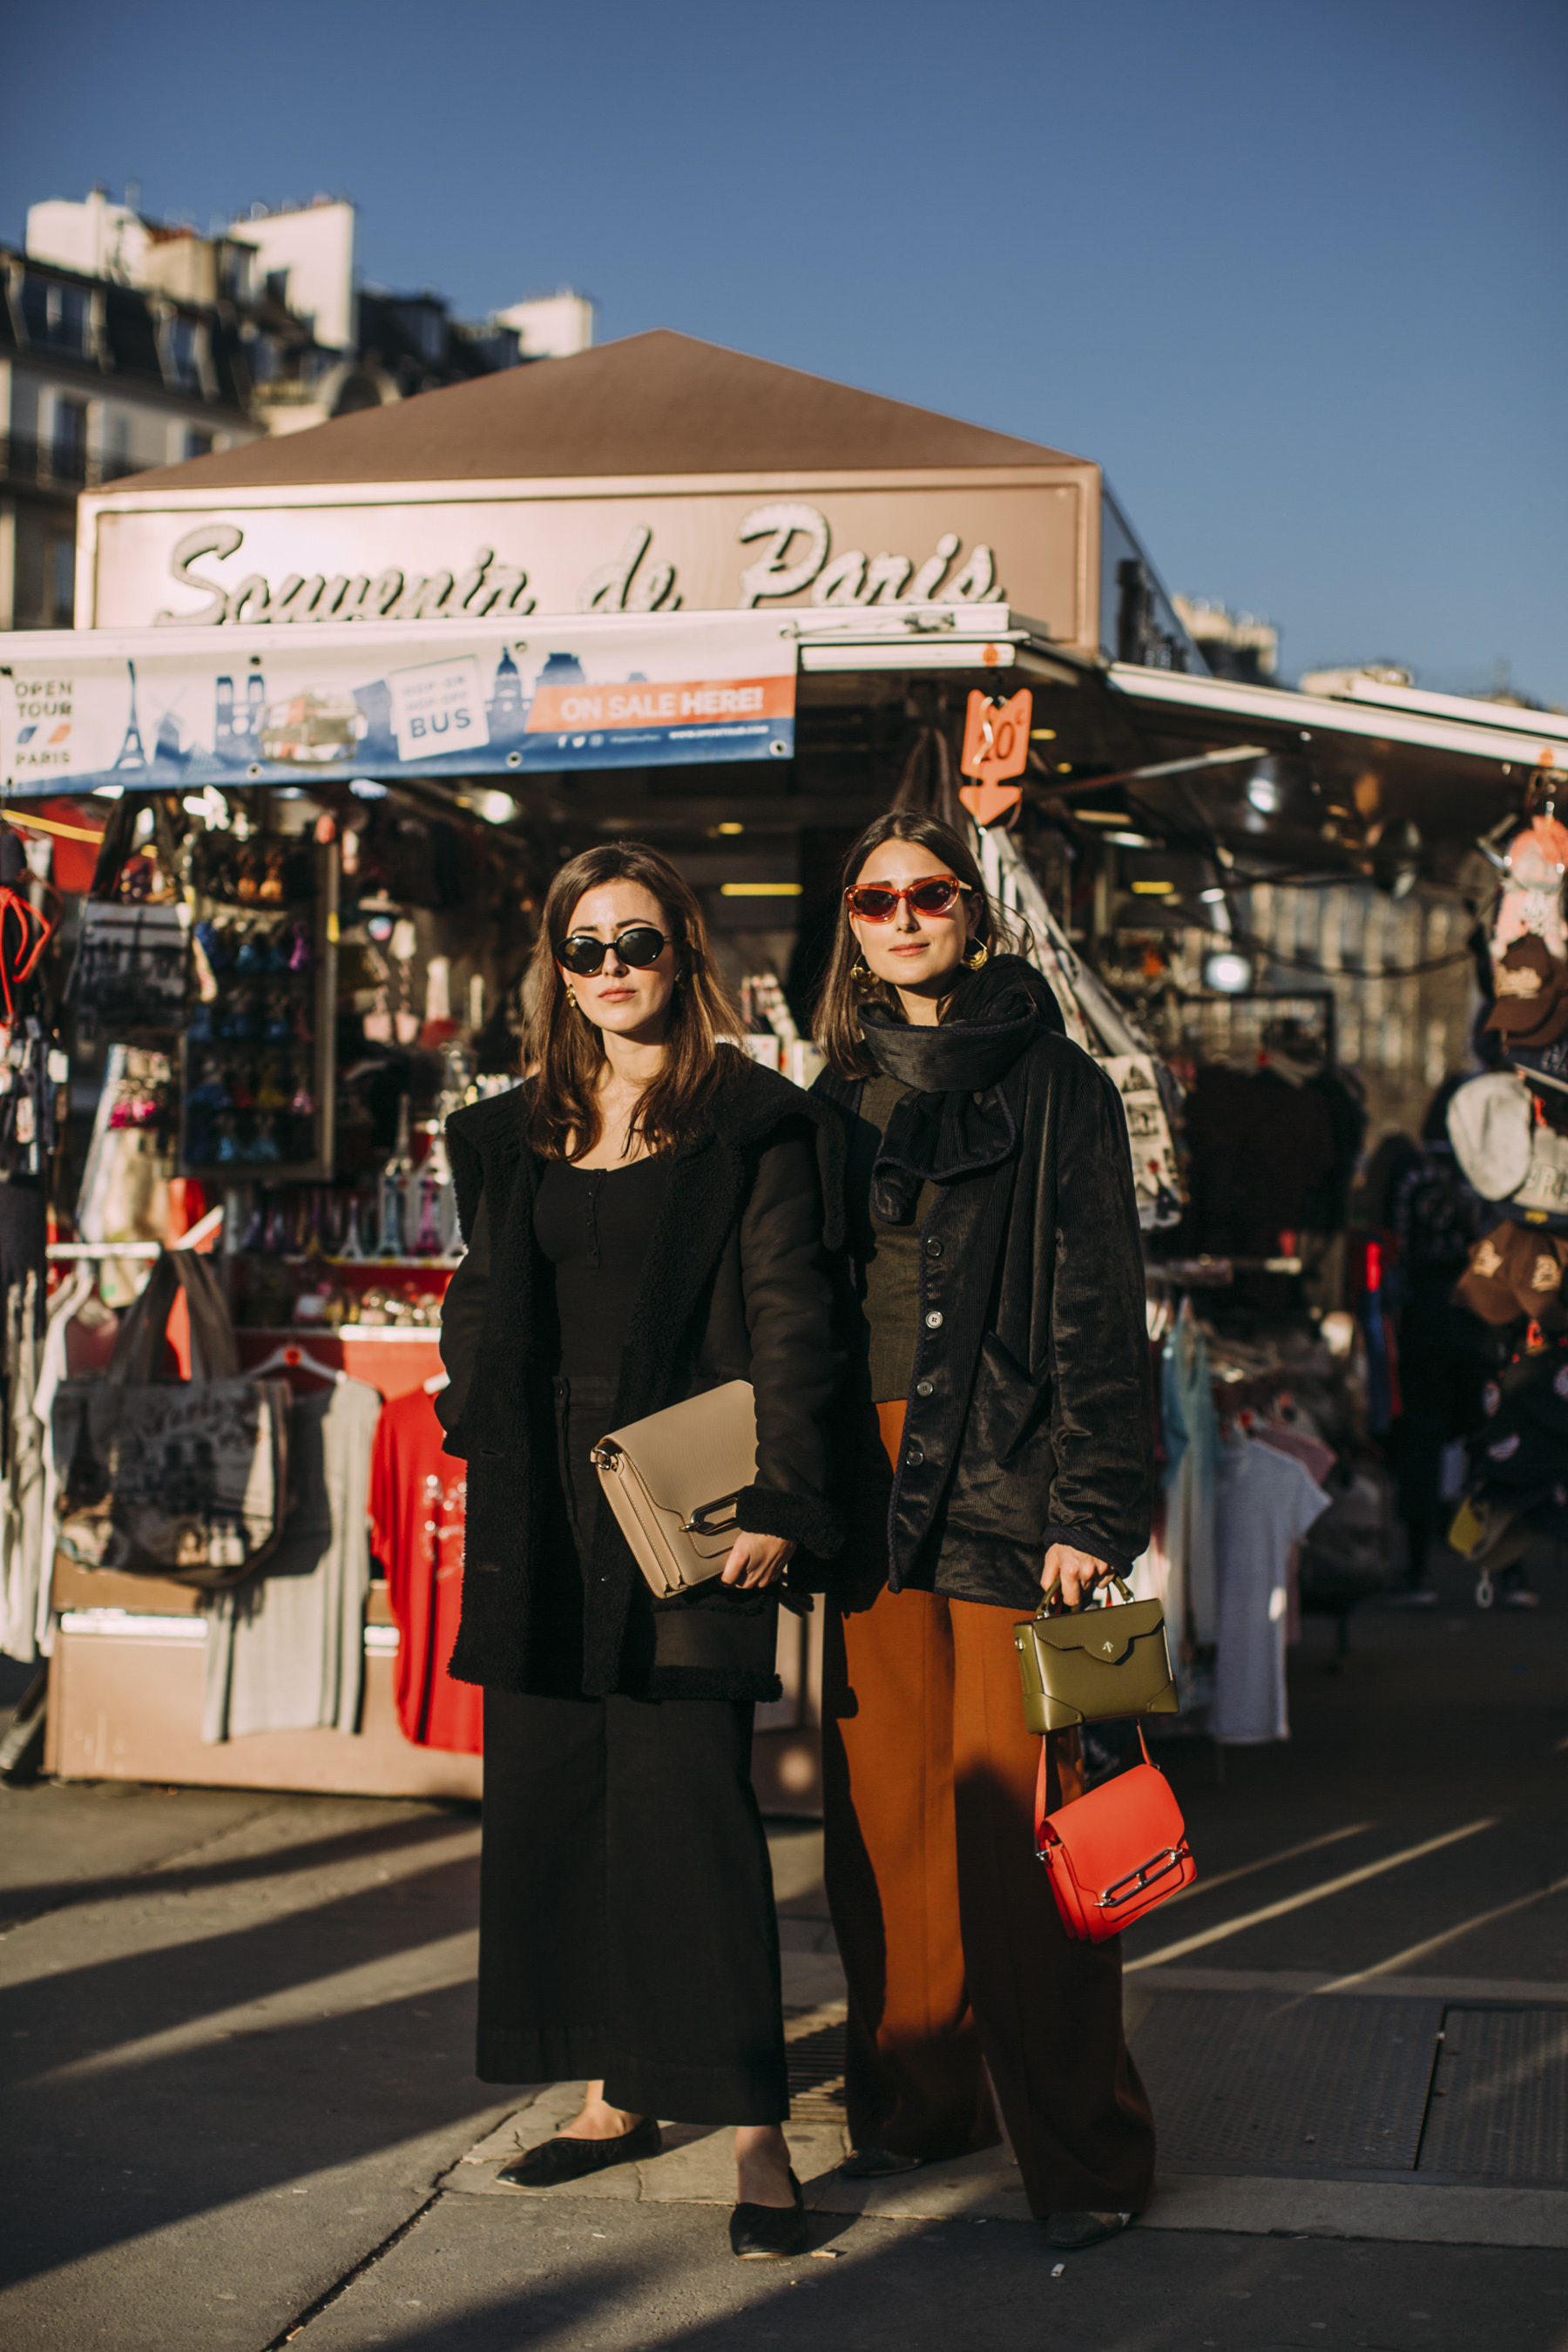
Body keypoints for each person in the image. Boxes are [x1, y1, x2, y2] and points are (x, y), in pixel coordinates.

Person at [436, 842, 842, 2261]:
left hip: (686, 1497)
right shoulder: (516, 1127)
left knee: (691, 1815)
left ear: (686, 950)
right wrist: (469, 1409)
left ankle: (753, 2132)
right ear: (557, 967)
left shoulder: (751, 1121)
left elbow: (793, 1315)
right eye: (587, 948)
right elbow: (484, 1296)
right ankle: (614, 2094)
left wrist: (784, 1496)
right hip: (544, 1504)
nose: (614, 970)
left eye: (640, 942)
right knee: (561, 1805)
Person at [810, 810, 1157, 2254]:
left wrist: (1093, 1508)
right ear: (852, 926)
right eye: (878, 899)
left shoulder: (1061, 1084)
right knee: (887, 1824)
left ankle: (1086, 2155)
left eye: (928, 893)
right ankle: (916, 2102)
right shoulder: (830, 1093)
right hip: (871, 1491)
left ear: (972, 911)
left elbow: (1099, 1299)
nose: (904, 917)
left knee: (1032, 1836)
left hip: (1020, 1490)